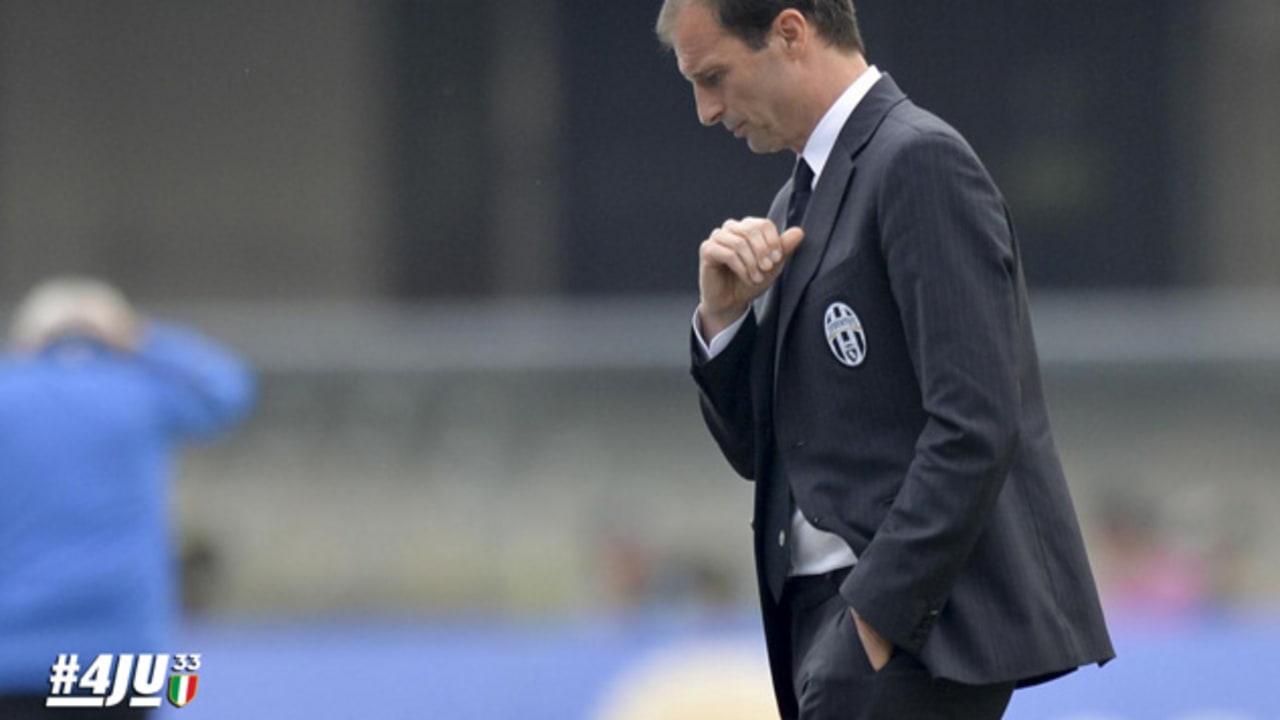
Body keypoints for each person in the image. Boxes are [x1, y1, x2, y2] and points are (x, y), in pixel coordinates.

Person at [656, 1, 1115, 717]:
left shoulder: (917, 160)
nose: (706, 111)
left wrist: (875, 620)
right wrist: (724, 319)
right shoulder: (794, 203)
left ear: (790, 33)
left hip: (907, 631)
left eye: (714, 77)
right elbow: (763, 453)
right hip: (830, 621)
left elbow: (975, 422)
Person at [0, 277, 254, 719]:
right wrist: (146, 339)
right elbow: (225, 388)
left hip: (12, 649)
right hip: (119, 648)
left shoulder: (8, 392)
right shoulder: (142, 392)